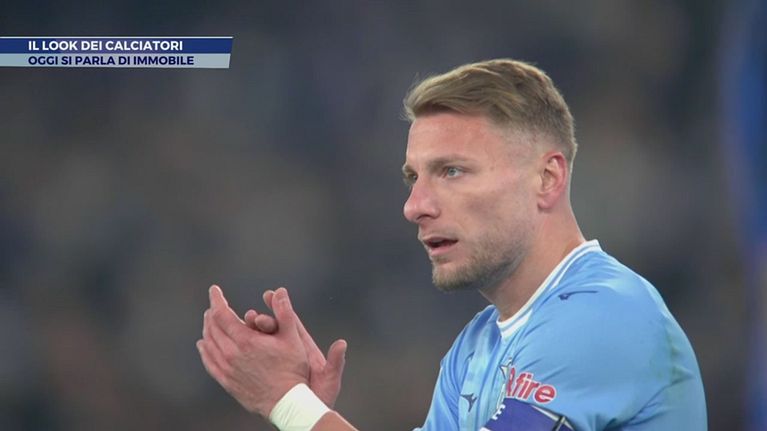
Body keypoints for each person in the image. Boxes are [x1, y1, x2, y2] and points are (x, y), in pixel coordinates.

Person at [197, 59, 707, 430]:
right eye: (413, 177)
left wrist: (290, 403)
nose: (414, 205)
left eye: (452, 171)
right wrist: (310, 409)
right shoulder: (474, 349)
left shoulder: (604, 315)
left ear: (547, 179)